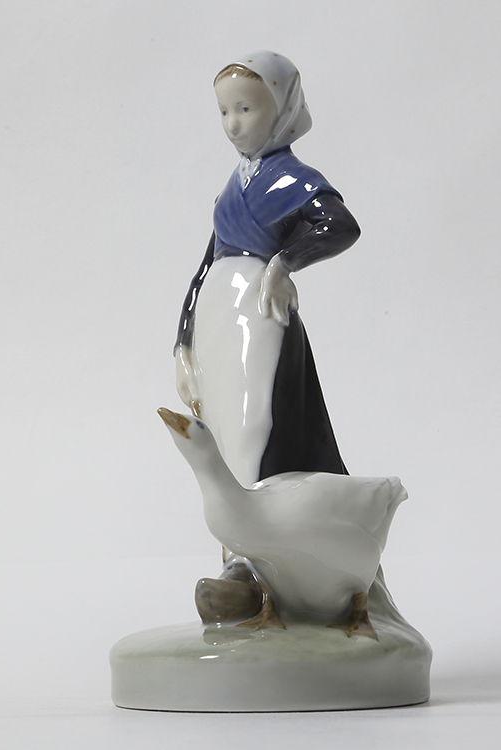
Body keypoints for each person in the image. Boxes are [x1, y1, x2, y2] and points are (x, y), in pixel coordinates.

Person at [174, 51, 360, 624]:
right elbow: (206, 264)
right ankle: (238, 561)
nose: (233, 124)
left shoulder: (292, 178)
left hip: (259, 321)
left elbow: (339, 225)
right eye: (224, 111)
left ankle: (267, 566)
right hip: (220, 319)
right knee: (226, 433)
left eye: (247, 109)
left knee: (259, 428)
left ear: (281, 110)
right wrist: (183, 345)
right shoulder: (235, 185)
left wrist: (284, 262)